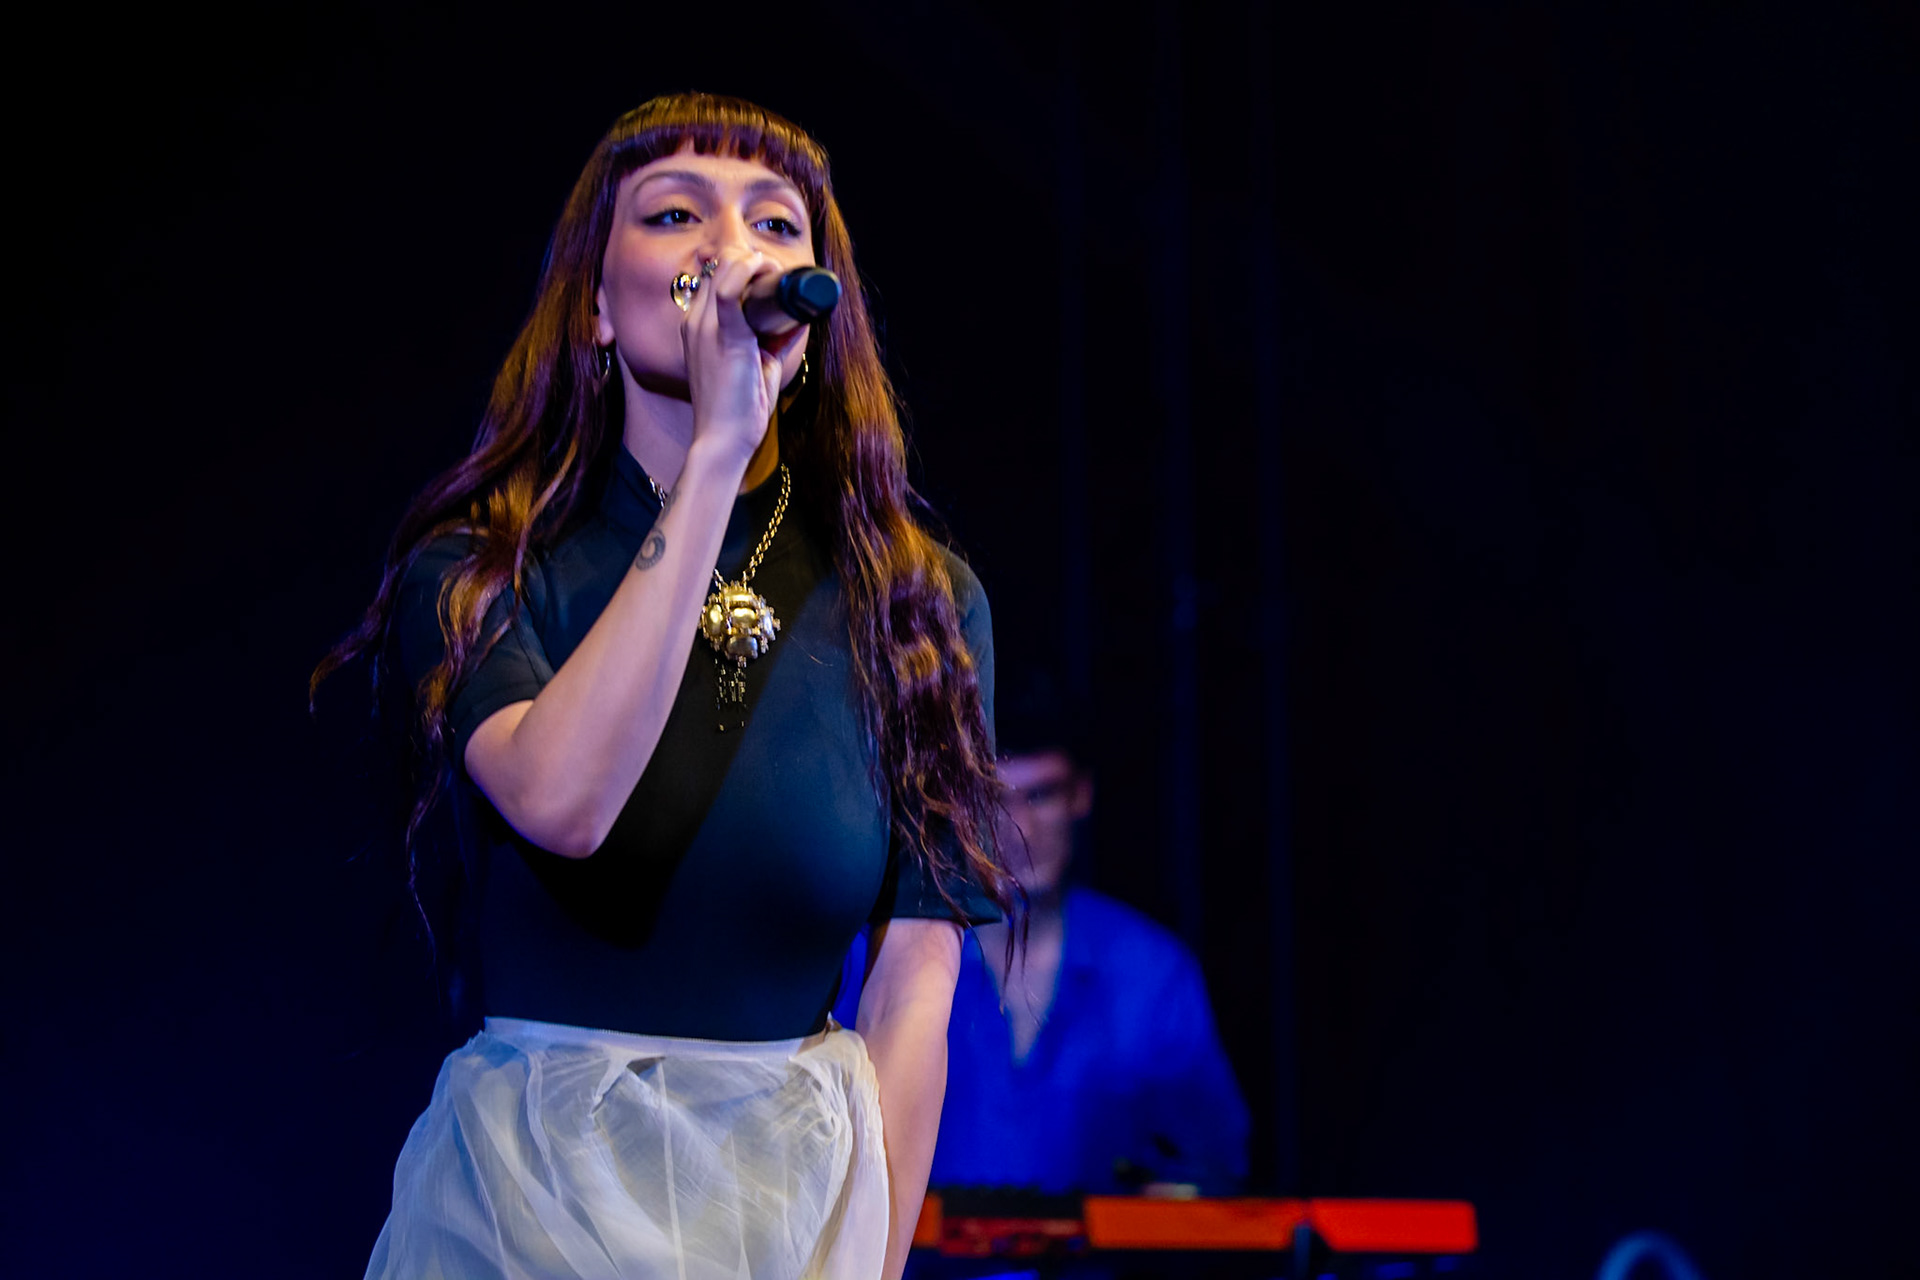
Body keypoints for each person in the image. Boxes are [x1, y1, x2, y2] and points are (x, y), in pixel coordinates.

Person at [314, 93, 1012, 1280]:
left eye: (776, 224)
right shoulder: (485, 567)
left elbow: (913, 985)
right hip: (533, 1183)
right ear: (592, 301)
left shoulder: (917, 597)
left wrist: (871, 1259)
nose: (727, 249)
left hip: (795, 1196)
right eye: (676, 213)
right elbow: (565, 798)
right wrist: (712, 465)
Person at [911, 694, 1249, 1195]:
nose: (1019, 830)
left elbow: (1213, 1168)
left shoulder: (1149, 971)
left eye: (1041, 795)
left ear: (1080, 796)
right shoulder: (892, 957)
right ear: (959, 806)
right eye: (994, 799)